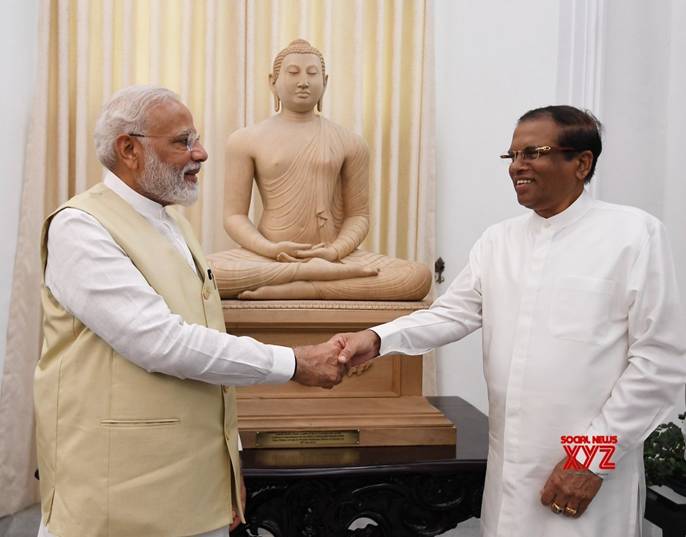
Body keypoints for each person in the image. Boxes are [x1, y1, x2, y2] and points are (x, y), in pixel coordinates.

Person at [335, 105, 686, 537]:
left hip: (589, 478)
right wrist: (377, 337)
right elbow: (453, 313)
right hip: (510, 476)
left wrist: (588, 461)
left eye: (533, 152)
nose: (518, 166)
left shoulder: (634, 234)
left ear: (581, 163)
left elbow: (660, 362)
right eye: (512, 155)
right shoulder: (499, 240)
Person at [35, 85, 348, 537]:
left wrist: (228, 466)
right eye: (183, 141)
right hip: (117, 494)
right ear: (129, 149)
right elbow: (161, 342)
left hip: (195, 489)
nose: (200, 153)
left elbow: (206, 341)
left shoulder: (172, 221)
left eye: (195, 139)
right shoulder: (80, 228)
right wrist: (294, 362)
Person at [208, 39, 432, 300]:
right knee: (202, 275)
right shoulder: (245, 140)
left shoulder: (350, 141)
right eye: (293, 73)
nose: (304, 81)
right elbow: (234, 216)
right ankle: (310, 278)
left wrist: (334, 252)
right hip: (268, 257)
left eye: (312, 74)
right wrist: (269, 249)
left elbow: (358, 216)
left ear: (325, 82)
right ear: (273, 82)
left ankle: (307, 285)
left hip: (332, 257)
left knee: (416, 278)